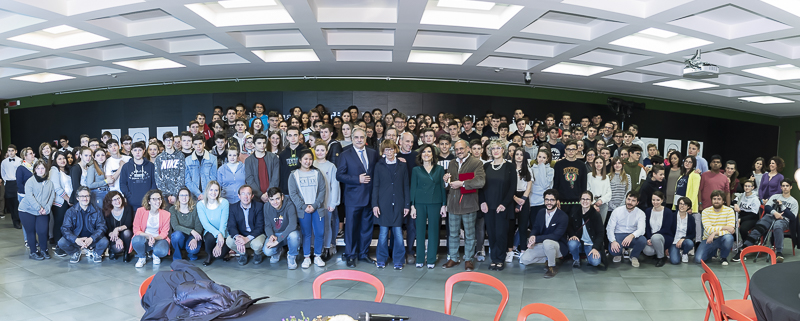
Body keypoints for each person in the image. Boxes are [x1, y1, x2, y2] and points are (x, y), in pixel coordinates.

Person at [336, 127, 379, 268]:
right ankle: (350, 255)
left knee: (366, 228)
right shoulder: (345, 154)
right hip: (353, 198)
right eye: (356, 137)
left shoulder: (373, 153)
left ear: (366, 138)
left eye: (362, 137)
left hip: (369, 198)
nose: (359, 140)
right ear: (352, 138)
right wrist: (357, 179)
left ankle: (363, 254)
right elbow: (339, 175)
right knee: (351, 229)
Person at [442, 140, 486, 271]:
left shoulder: (476, 163)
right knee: (453, 234)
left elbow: (480, 181)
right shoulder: (452, 163)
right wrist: (446, 181)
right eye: (456, 149)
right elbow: (449, 185)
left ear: (468, 148)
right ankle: (453, 258)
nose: (459, 151)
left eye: (461, 148)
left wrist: (462, 183)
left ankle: (468, 259)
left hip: (469, 204)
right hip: (453, 205)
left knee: (470, 235)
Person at [736, 179, 797, 263]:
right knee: (760, 225)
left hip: (784, 220)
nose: (785, 188)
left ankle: (779, 252)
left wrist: (782, 207)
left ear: (791, 187)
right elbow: (767, 207)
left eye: (787, 186)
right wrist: (775, 213)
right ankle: (744, 248)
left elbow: (793, 217)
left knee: (777, 226)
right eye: (783, 186)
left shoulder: (794, 202)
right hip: (771, 216)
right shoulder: (775, 196)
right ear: (781, 187)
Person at [371, 140, 410, 270]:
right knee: (382, 233)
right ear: (383, 151)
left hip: (399, 203)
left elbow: (406, 185)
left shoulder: (402, 166)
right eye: (386, 150)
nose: (389, 152)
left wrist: (406, 205)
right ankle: (381, 259)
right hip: (383, 203)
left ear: (395, 150)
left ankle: (398, 260)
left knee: (398, 233)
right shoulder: (379, 165)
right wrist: (375, 205)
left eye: (391, 149)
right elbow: (375, 186)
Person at [287, 149, 327, 268]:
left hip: (317, 208)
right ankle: (306, 257)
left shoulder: (317, 173)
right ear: (300, 160)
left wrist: (314, 205)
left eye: (310, 159)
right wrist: (304, 206)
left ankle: (318, 255)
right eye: (305, 159)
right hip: (303, 210)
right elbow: (293, 193)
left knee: (319, 232)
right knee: (306, 233)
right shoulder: (294, 175)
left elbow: (322, 191)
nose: (308, 161)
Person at [410, 144, 447, 269]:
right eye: (424, 152)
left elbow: (442, 188)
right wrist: (412, 206)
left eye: (429, 152)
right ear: (420, 155)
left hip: (435, 203)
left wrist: (443, 205)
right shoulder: (416, 170)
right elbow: (413, 188)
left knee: (433, 231)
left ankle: (431, 259)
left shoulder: (440, 169)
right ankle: (420, 258)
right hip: (420, 203)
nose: (426, 154)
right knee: (419, 231)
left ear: (433, 154)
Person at [521, 189, 568, 278]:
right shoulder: (541, 212)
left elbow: (555, 236)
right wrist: (532, 237)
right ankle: (549, 258)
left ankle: (552, 267)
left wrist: (537, 239)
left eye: (552, 200)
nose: (549, 202)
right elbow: (536, 228)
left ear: (557, 201)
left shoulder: (563, 216)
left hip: (558, 246)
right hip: (543, 244)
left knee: (548, 242)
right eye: (546, 200)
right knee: (524, 260)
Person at [58, 186, 108, 263]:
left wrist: (92, 238)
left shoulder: (97, 210)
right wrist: (75, 239)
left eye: (87, 196)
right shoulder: (70, 211)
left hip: (92, 239)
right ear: (77, 198)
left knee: (104, 241)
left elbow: (102, 227)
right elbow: (65, 229)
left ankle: (96, 253)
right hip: (77, 239)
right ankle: (75, 252)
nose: (85, 198)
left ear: (90, 197)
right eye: (82, 196)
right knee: (61, 242)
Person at [552, 140, 588, 242]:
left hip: (576, 201)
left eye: (573, 149)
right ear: (565, 151)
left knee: (576, 226)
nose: (571, 151)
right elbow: (556, 184)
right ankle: (563, 252)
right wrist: (556, 199)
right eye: (568, 149)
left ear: (577, 150)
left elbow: (583, 185)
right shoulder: (559, 165)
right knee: (562, 226)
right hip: (562, 201)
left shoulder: (581, 165)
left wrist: (583, 200)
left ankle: (576, 249)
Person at [19, 160, 55, 260]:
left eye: (42, 168)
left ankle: (44, 250)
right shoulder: (30, 181)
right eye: (38, 168)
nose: (40, 170)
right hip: (27, 210)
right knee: (31, 232)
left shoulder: (50, 183)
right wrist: (39, 208)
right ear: (35, 169)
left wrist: (46, 209)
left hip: (43, 211)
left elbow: (52, 196)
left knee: (42, 231)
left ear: (46, 170)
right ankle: (33, 252)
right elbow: (30, 196)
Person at [312, 140, 341, 261]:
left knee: (327, 226)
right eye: (317, 150)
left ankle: (327, 247)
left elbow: (335, 185)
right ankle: (315, 248)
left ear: (326, 151)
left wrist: (333, 203)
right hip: (314, 203)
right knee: (314, 227)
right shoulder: (311, 164)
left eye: (322, 150)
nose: (319, 152)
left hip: (327, 202)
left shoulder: (331, 166)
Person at [226, 185, 266, 266]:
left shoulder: (259, 206)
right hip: (241, 235)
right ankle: (243, 254)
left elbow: (260, 227)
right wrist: (238, 237)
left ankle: (257, 254)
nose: (246, 196)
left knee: (257, 244)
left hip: (256, 235)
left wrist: (247, 239)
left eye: (248, 194)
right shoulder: (233, 208)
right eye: (243, 194)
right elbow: (231, 226)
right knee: (229, 241)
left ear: (252, 196)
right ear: (239, 196)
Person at [262, 187, 301, 269]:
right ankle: (278, 250)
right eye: (272, 199)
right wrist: (271, 236)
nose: (275, 202)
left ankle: (292, 256)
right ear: (268, 199)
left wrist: (278, 240)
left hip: (288, 234)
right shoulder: (266, 207)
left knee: (294, 236)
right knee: (267, 251)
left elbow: (293, 225)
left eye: (277, 198)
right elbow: (267, 225)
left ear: (282, 197)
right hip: (276, 234)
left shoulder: (289, 205)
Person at [131, 189, 171, 268]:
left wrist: (154, 238)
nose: (158, 201)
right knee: (136, 240)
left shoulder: (166, 214)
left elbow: (164, 233)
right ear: (149, 201)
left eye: (159, 199)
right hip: (144, 238)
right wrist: (148, 236)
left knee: (163, 251)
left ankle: (155, 254)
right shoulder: (140, 211)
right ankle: (142, 257)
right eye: (154, 199)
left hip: (158, 239)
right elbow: (136, 230)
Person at [567, 191, 606, 269]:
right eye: (583, 199)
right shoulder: (574, 211)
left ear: (591, 201)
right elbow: (569, 225)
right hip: (579, 241)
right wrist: (572, 235)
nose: (585, 201)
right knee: (572, 244)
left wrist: (595, 248)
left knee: (595, 262)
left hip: (591, 244)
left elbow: (600, 233)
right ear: (580, 200)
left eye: (588, 199)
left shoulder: (595, 215)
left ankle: (589, 256)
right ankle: (576, 259)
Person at [606, 192, 647, 267]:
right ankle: (619, 253)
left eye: (633, 200)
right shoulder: (617, 211)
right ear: (625, 199)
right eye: (628, 199)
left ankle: (634, 256)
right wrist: (613, 241)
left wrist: (632, 235)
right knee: (613, 251)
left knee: (642, 240)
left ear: (637, 202)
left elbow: (642, 230)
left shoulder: (641, 213)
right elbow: (610, 228)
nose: (630, 202)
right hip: (618, 235)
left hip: (632, 236)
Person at [695, 190, 735, 265]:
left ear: (723, 201)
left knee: (728, 238)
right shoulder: (705, 211)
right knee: (698, 259)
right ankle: (712, 252)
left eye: (719, 199)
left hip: (722, 238)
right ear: (711, 200)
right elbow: (708, 229)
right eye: (714, 199)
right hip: (708, 239)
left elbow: (731, 230)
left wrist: (715, 233)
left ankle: (723, 257)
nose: (716, 201)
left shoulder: (729, 211)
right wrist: (725, 227)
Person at [197, 181, 230, 266]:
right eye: (211, 190)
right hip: (210, 232)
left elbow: (223, 223)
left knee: (220, 256)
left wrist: (219, 242)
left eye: (216, 190)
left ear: (219, 192)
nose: (213, 192)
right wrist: (217, 234)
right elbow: (205, 224)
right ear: (207, 191)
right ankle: (209, 255)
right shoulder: (200, 204)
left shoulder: (224, 203)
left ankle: (225, 252)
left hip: (223, 233)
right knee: (209, 237)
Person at [119, 142, 157, 210]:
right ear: (132, 152)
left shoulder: (151, 166)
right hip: (131, 203)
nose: (137, 152)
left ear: (144, 151)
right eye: (135, 150)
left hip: (148, 202)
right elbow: (123, 184)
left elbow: (154, 183)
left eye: (140, 150)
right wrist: (129, 197)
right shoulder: (126, 167)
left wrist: (150, 197)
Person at [169, 187, 204, 261]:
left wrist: (195, 238)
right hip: (180, 236)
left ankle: (191, 253)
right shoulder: (173, 209)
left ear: (189, 197)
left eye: (186, 195)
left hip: (192, 236)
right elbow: (175, 226)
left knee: (193, 250)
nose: (184, 198)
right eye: (181, 195)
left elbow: (198, 227)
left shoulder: (195, 208)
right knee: (176, 235)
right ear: (178, 197)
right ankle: (178, 256)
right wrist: (191, 231)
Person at [245, 133, 280, 205]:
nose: (262, 145)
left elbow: (275, 178)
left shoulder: (273, 157)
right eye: (259, 143)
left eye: (264, 143)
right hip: (256, 198)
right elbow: (249, 179)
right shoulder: (248, 160)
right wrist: (260, 195)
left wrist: (268, 194)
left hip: (272, 196)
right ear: (254, 144)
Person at [642, 192, 674, 267]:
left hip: (665, 236)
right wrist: (649, 238)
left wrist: (653, 237)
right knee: (647, 251)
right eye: (653, 200)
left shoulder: (668, 212)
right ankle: (659, 251)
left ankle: (661, 258)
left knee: (655, 237)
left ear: (662, 200)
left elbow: (666, 228)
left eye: (658, 200)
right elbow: (647, 227)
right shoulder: (648, 211)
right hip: (652, 238)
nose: (655, 202)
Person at [511, 148, 532, 260]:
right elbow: (507, 186)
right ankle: (510, 250)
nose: (519, 156)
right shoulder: (509, 168)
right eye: (517, 154)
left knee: (523, 226)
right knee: (510, 226)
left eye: (521, 154)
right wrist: (515, 199)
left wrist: (522, 200)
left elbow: (529, 186)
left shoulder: (527, 168)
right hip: (511, 196)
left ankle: (523, 250)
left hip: (524, 197)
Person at [154, 132, 185, 206]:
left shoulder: (180, 155)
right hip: (164, 196)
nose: (168, 142)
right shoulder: (159, 158)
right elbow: (158, 178)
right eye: (166, 140)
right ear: (163, 142)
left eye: (170, 140)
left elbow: (182, 176)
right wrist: (167, 195)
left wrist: (175, 194)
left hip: (178, 194)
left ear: (173, 142)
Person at [102, 191, 134, 262]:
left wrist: (117, 229)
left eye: (118, 198)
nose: (117, 201)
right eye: (114, 200)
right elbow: (108, 229)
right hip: (113, 236)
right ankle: (112, 250)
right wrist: (117, 239)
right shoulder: (106, 211)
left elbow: (128, 224)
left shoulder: (128, 208)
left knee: (127, 232)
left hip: (125, 235)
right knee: (118, 249)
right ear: (110, 202)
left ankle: (127, 253)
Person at [186, 135, 218, 200]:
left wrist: (204, 193)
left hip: (209, 194)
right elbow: (187, 180)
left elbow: (213, 177)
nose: (198, 146)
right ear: (192, 145)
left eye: (200, 143)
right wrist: (198, 194)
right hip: (193, 195)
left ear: (204, 144)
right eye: (195, 144)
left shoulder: (213, 158)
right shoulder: (187, 160)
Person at [279, 127, 308, 193]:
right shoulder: (282, 154)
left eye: (295, 135)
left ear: (299, 136)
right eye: (290, 135)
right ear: (287, 137)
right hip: (287, 190)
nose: (293, 138)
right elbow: (281, 174)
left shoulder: (306, 152)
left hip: (303, 189)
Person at [734, 180, 761, 247]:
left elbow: (754, 214)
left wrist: (741, 219)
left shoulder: (755, 199)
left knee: (743, 229)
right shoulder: (742, 195)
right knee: (730, 225)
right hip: (742, 215)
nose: (747, 188)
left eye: (749, 186)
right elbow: (734, 200)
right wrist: (735, 204)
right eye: (745, 186)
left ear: (752, 187)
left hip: (751, 217)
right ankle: (735, 242)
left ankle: (746, 243)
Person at [670, 197, 696, 264]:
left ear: (688, 207)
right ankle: (676, 252)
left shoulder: (691, 218)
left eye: (684, 204)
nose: (682, 206)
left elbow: (693, 234)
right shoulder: (672, 216)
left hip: (685, 241)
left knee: (690, 243)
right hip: (673, 242)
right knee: (675, 261)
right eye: (680, 203)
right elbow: (668, 231)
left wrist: (683, 239)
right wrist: (666, 247)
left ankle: (685, 253)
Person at [2, 145, 20, 228]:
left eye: (12, 150)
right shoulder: (4, 162)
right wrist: (6, 181)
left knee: (17, 203)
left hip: (17, 183)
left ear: (16, 151)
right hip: (9, 183)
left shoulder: (20, 161)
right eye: (9, 150)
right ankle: (14, 221)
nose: (11, 152)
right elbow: (3, 173)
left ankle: (18, 221)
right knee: (11, 204)